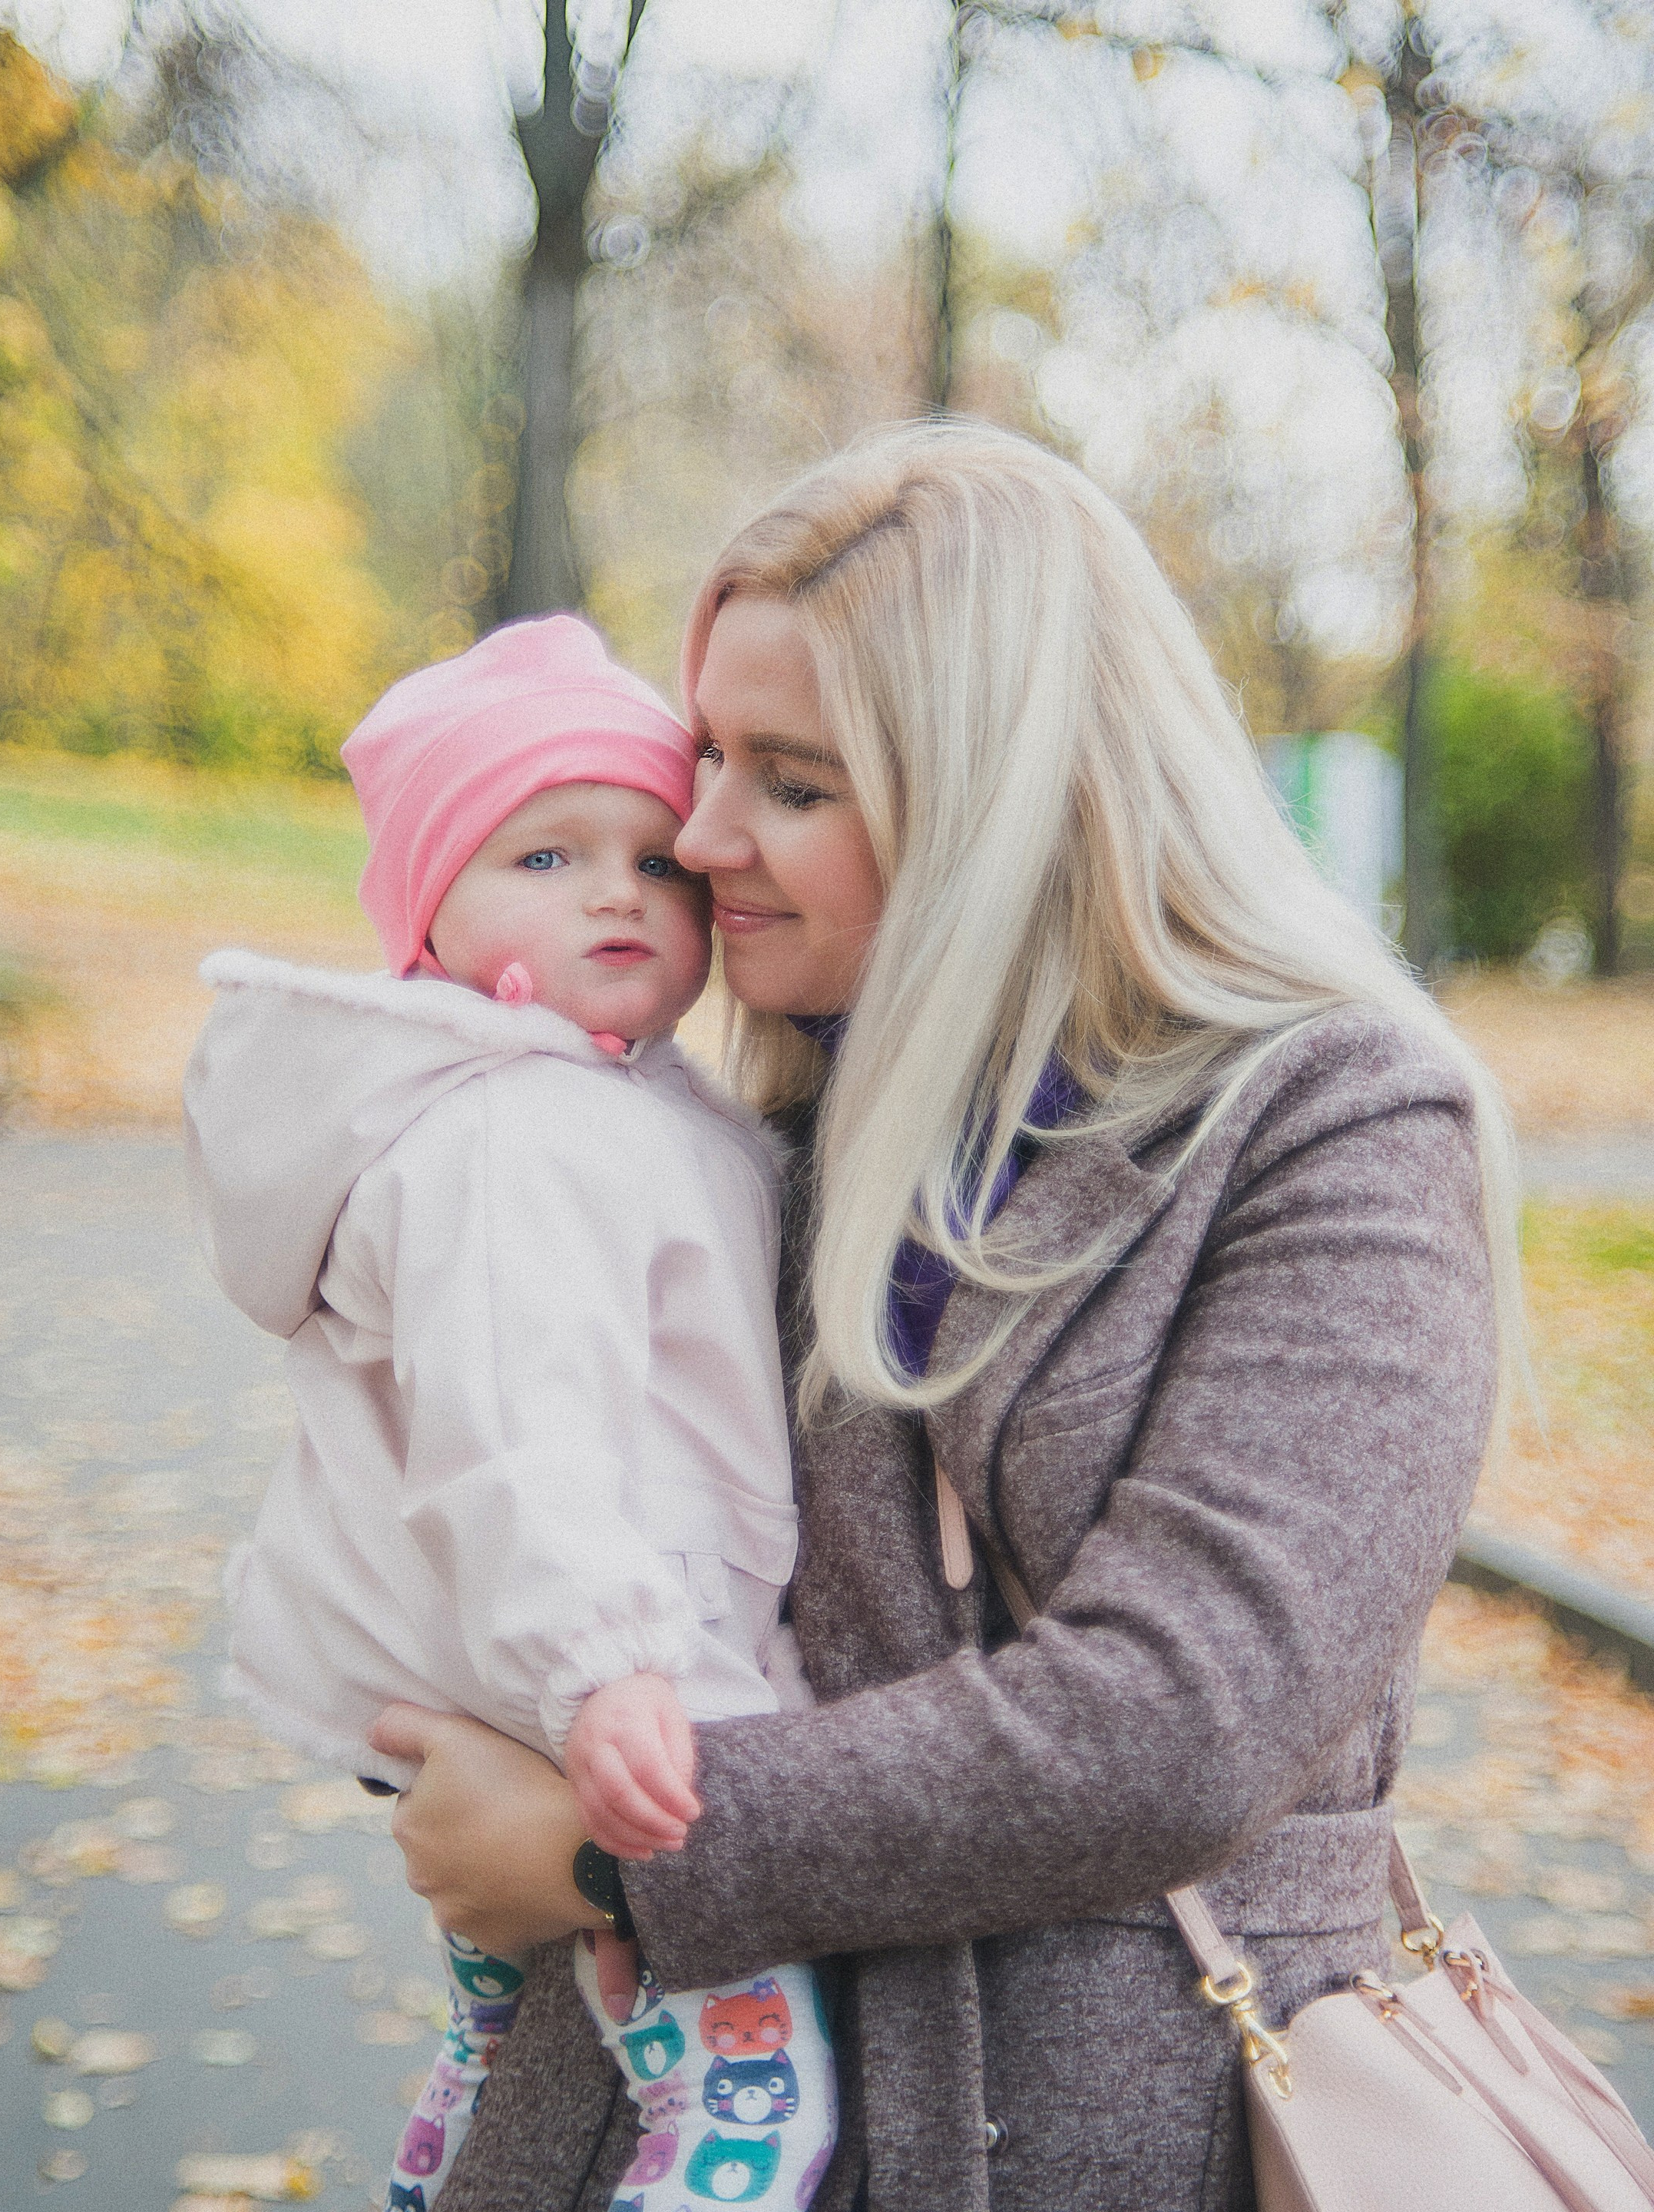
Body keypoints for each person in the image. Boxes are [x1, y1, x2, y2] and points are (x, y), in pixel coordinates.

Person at [369, 422, 1513, 2212]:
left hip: (1135, 2115)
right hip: (667, 2109)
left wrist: (622, 1854)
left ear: (1004, 800)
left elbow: (1184, 1716)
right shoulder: (719, 1131)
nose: (699, 832)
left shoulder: (1331, 1124)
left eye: (792, 783)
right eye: (711, 755)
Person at [182, 615, 836, 2212]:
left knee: (517, 2001)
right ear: (430, 915)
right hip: (596, 1657)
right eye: (545, 856)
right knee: (756, 2087)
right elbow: (515, 1433)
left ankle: (455, 2135)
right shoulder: (519, 1133)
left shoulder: (623, 1099)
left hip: (547, 1647)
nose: (620, 892)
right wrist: (604, 1665)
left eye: (655, 859)